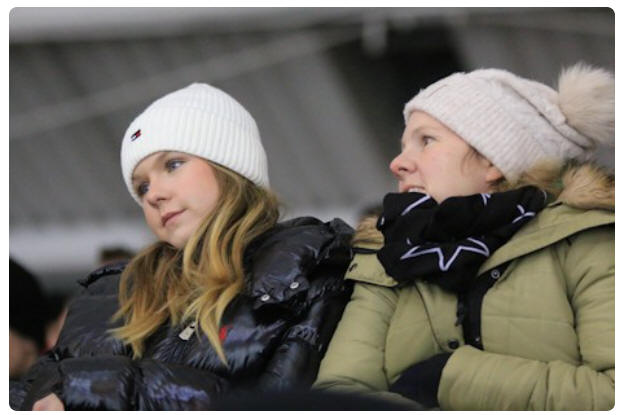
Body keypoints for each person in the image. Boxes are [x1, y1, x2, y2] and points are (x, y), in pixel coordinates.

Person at [10, 83, 353, 410]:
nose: (153, 195)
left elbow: (273, 406)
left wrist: (96, 387)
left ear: (228, 165)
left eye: (173, 165)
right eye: (142, 187)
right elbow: (32, 390)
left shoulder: (307, 269)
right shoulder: (109, 293)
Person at [314, 63, 614, 410]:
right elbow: (340, 396)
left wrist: (449, 377)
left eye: (426, 140)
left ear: (493, 159)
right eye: (404, 145)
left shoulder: (586, 241)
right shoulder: (388, 255)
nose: (398, 163)